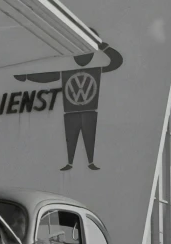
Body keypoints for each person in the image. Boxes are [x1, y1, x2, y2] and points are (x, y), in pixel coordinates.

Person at [14, 27, 123, 171]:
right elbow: (47, 77)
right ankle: (70, 163)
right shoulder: (68, 72)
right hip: (71, 110)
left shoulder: (96, 69)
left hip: (89, 109)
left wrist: (102, 45)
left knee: (89, 137)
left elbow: (116, 62)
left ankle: (90, 162)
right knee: (70, 138)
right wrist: (27, 77)